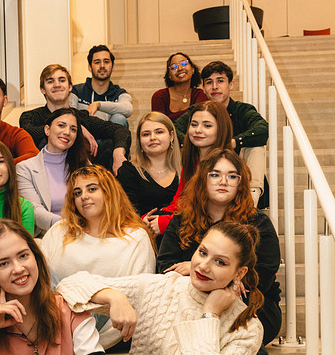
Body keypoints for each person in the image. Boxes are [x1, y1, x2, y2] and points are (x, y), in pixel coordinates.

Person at [57, 221, 264, 354]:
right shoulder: (161, 287)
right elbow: (68, 285)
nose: (203, 265)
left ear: (239, 273)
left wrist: (210, 314)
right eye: (202, 252)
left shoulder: (247, 329)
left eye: (220, 262)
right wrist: (114, 298)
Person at [157, 148, 281, 348]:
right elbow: (164, 268)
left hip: (249, 305)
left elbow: (263, 274)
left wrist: (195, 268)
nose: (223, 181)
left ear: (240, 184)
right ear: (202, 180)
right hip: (190, 303)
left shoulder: (258, 222)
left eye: (232, 176)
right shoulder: (181, 220)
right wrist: (218, 277)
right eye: (215, 174)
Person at [0, 219, 105, 355]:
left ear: (35, 257)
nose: (18, 268)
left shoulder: (70, 311)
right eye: (4, 263)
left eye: (23, 256)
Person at [41, 164, 155, 349]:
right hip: (52, 321)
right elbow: (41, 280)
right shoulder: (60, 230)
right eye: (77, 193)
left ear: (109, 192)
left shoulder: (136, 238)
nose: (84, 196)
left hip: (106, 324)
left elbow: (139, 294)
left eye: (92, 189)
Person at [173, 61, 269, 206]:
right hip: (205, 168)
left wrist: (232, 142)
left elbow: (262, 130)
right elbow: (172, 130)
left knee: (255, 147)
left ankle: (251, 201)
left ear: (231, 85)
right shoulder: (198, 111)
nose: (215, 87)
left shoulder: (242, 110)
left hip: (237, 173)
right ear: (203, 88)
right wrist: (193, 142)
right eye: (209, 82)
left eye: (220, 81)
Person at [19, 64, 131, 175]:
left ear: (70, 87)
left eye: (62, 80)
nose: (57, 85)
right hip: (45, 176)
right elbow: (31, 133)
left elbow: (121, 130)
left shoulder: (81, 117)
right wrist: (76, 129)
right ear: (42, 89)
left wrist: (118, 153)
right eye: (50, 81)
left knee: (111, 144)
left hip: (82, 176)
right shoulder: (30, 116)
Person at [144, 100, 233, 236]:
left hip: (214, 231)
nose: (198, 130)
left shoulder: (225, 165)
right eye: (194, 124)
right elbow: (180, 200)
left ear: (220, 129)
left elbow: (209, 211)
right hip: (189, 222)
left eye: (207, 125)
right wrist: (152, 218)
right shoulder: (193, 161)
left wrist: (165, 222)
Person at [17, 108, 90, 236]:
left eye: (73, 129)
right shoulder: (25, 169)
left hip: (84, 231)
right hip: (48, 235)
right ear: (47, 129)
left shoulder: (84, 164)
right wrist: (67, 225)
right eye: (61, 125)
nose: (67, 132)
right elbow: (35, 210)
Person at [116, 111, 181, 220]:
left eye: (159, 132)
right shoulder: (128, 171)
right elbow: (125, 213)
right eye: (146, 134)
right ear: (139, 141)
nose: (152, 137)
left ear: (171, 136)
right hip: (140, 232)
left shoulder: (185, 171)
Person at [69, 44, 132, 127]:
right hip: (85, 136)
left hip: (109, 137)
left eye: (106, 62)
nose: (102, 66)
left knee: (119, 118)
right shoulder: (76, 91)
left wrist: (98, 105)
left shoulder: (119, 93)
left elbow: (128, 109)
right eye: (97, 62)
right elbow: (70, 116)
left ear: (113, 66)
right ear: (90, 67)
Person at [151, 52, 208, 120]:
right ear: (169, 76)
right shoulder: (160, 96)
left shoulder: (200, 94)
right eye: (173, 67)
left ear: (192, 70)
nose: (180, 68)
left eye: (183, 63)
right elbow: (159, 124)